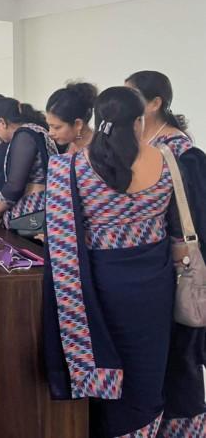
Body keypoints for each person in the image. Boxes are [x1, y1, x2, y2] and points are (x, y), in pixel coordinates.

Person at [43, 86, 206, 436]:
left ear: (98, 120)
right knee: (149, 366)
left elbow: (58, 235)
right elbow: (178, 234)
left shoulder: (67, 167)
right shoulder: (167, 161)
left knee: (106, 357)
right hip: (154, 284)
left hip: (99, 286)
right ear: (139, 121)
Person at [126, 70, 206, 432]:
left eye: (133, 96)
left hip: (177, 265)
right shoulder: (138, 145)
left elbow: (194, 219)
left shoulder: (183, 152)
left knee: (181, 351)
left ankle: (186, 427)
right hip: (150, 267)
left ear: (155, 103)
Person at [0, 97, 57, 232]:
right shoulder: (35, 130)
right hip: (42, 210)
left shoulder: (24, 135)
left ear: (2, 122)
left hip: (33, 213)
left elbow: (15, 185)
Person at [45, 82, 97, 154]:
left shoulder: (100, 151)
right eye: (49, 126)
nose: (50, 133)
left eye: (57, 127)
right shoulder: (68, 144)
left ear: (78, 124)